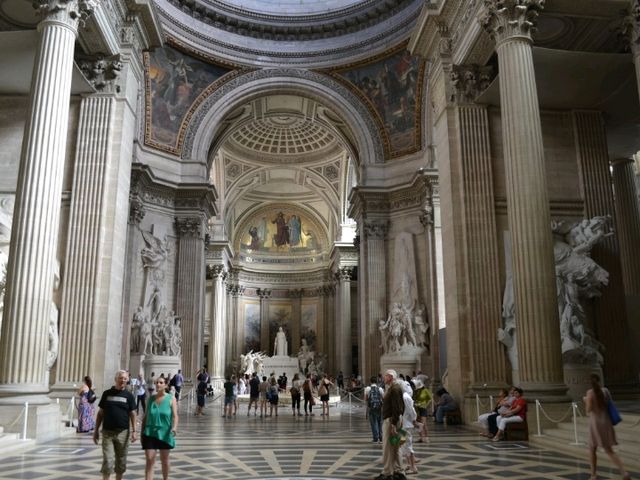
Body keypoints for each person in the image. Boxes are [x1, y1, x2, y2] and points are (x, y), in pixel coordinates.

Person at [93, 370, 137, 480]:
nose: (123, 380)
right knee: (108, 461)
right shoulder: (107, 394)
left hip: (123, 433)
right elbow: (100, 413)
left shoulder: (129, 396)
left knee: (121, 461)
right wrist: (96, 431)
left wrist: (134, 431)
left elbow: (132, 414)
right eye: (121, 378)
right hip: (108, 432)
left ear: (127, 380)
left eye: (125, 378)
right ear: (116, 379)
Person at [584, 374, 630, 480]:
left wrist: (586, 400)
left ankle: (594, 475)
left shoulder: (590, 393)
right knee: (608, 449)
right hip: (606, 421)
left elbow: (588, 410)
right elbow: (609, 404)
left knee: (592, 449)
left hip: (595, 423)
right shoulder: (606, 391)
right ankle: (624, 472)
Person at [141, 376, 178, 480]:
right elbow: (146, 416)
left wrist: (174, 428)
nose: (158, 384)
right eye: (156, 382)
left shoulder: (171, 399)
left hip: (165, 433)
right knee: (149, 460)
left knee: (165, 460)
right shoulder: (151, 399)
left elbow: (175, 416)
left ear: (166, 385)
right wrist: (141, 433)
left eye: (161, 382)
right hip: (150, 433)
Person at [376, 369, 405, 480]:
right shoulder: (392, 388)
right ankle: (399, 471)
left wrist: (393, 423)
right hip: (394, 420)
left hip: (391, 421)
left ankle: (388, 472)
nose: (384, 378)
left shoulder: (395, 389)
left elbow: (397, 407)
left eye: (386, 376)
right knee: (396, 446)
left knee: (388, 447)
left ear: (391, 377)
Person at [400, 381, 419, 475]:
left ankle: (413, 467)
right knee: (404, 445)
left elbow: (411, 410)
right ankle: (408, 464)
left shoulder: (405, 397)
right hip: (404, 425)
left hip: (406, 425)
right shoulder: (404, 396)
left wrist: (414, 420)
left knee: (408, 445)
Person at [365, 375, 384, 443]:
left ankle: (375, 438)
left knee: (373, 423)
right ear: (376, 381)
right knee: (380, 422)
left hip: (371, 407)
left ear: (370, 381)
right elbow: (382, 398)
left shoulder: (367, 388)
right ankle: (381, 437)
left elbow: (366, 399)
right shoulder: (380, 389)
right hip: (379, 408)